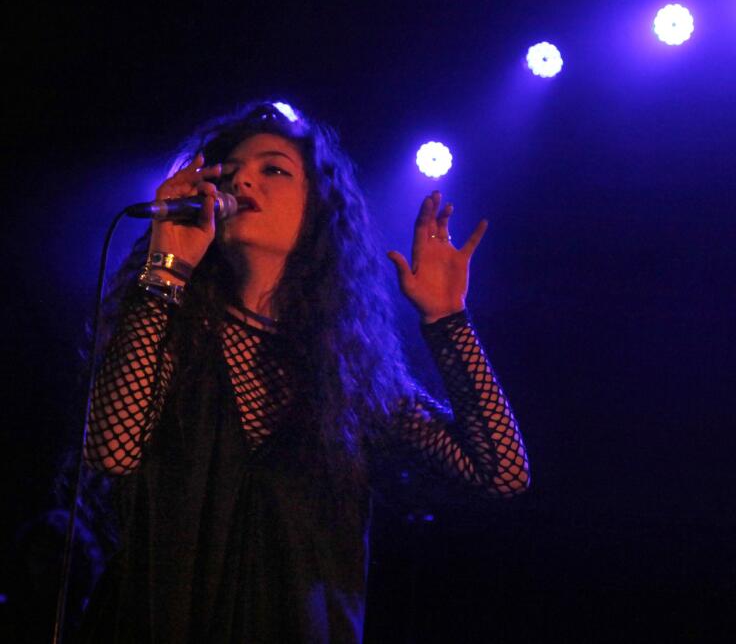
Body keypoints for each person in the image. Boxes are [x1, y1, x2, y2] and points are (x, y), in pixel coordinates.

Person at [78, 102, 530, 641]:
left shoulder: (350, 377)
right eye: (232, 168)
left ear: (318, 211)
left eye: (273, 169)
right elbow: (112, 451)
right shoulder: (171, 327)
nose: (243, 177)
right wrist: (166, 267)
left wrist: (447, 320)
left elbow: (502, 473)